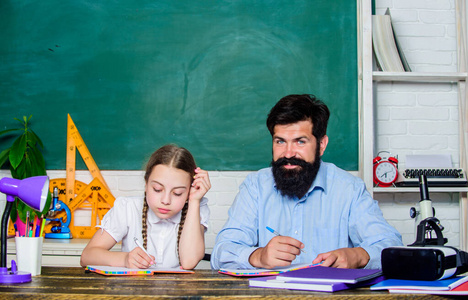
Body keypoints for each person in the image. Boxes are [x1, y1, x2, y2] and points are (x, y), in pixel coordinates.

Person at [211, 94, 402, 270]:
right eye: (280, 141)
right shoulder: (255, 187)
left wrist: (359, 256)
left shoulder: (349, 189)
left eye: (300, 142)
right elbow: (221, 252)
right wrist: (257, 256)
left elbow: (392, 247)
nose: (288, 153)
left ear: (321, 145)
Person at [81, 144, 211, 270]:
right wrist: (125, 259)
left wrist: (194, 200)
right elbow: (87, 256)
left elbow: (189, 262)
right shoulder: (127, 208)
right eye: (157, 189)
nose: (165, 201)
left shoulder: (196, 208)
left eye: (177, 193)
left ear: (189, 191)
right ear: (146, 184)